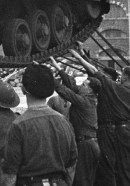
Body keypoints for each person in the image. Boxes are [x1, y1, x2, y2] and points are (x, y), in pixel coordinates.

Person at [69, 50, 130, 186]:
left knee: (125, 172)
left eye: (122, 74)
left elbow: (94, 71)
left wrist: (79, 57)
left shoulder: (114, 88)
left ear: (125, 78)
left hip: (124, 134)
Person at [1, 63, 77, 186]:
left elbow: (9, 175)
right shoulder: (64, 121)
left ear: (23, 89)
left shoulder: (19, 125)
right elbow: (71, 166)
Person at [49, 57, 100, 186]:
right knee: (84, 179)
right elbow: (71, 85)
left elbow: (65, 91)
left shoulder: (84, 102)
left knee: (82, 180)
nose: (80, 85)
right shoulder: (89, 97)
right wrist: (58, 67)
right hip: (89, 143)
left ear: (89, 90)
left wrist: (47, 74)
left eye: (83, 84)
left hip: (86, 144)